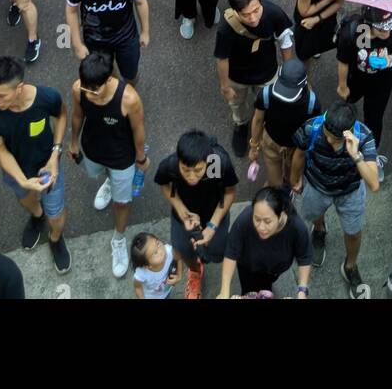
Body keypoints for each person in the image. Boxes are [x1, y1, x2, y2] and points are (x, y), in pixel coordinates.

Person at [0, 53, 71, 272]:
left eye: (2, 95)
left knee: (56, 214)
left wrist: (55, 155)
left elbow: (61, 116)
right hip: (16, 172)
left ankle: (55, 238)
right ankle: (37, 216)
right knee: (26, 199)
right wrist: (22, 180)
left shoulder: (47, 97)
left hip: (48, 169)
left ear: (19, 88)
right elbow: (0, 149)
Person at [69, 50, 148, 279]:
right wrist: (73, 141)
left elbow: (138, 130)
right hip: (92, 150)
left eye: (96, 88)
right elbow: (77, 116)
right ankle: (108, 182)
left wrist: (141, 158)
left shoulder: (129, 99)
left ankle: (119, 238)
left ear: (110, 78)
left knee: (122, 202)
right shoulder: (79, 89)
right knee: (98, 173)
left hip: (122, 159)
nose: (90, 93)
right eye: (87, 87)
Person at [290, 101, 382, 299]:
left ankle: (350, 266)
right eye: (328, 136)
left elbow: (374, 184)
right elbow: (298, 154)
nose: (330, 142)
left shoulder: (364, 137)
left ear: (349, 133)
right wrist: (295, 178)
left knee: (353, 232)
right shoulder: (311, 127)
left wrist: (356, 155)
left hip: (350, 192)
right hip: (316, 185)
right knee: (315, 213)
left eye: (336, 139)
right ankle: (320, 229)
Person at [215, 0, 295, 158]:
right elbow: (222, 58)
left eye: (256, 10)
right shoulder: (225, 29)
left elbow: (285, 41)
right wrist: (225, 86)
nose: (252, 18)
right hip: (237, 77)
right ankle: (241, 124)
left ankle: (265, 123)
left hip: (267, 72)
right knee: (237, 104)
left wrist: (287, 73)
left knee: (269, 104)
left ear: (260, 1)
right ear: (235, 12)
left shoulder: (273, 13)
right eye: (245, 14)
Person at [155, 128, 239, 299]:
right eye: (186, 170)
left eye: (198, 170)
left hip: (214, 212)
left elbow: (230, 192)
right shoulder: (170, 165)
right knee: (184, 250)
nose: (192, 177)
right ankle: (194, 272)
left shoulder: (220, 162)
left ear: (208, 162)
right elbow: (164, 185)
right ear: (178, 161)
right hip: (184, 216)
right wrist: (180, 209)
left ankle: (204, 258)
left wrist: (212, 226)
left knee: (216, 252)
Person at [218, 187, 314, 299]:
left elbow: (305, 257)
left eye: (267, 221)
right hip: (248, 268)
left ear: (281, 216)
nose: (261, 227)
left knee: (266, 285)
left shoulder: (297, 228)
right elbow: (231, 251)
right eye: (257, 219)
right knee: (249, 290)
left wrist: (302, 291)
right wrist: (224, 291)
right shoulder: (244, 220)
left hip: (275, 270)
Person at [65, 0, 149, 83]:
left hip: (126, 36)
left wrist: (145, 32)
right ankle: (114, 86)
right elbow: (71, 10)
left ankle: (128, 92)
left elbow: (141, 2)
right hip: (95, 39)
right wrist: (77, 44)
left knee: (131, 74)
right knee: (105, 75)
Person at [335, 6, 392, 145]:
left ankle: (372, 149)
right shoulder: (353, 33)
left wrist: (390, 60)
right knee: (345, 107)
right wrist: (342, 86)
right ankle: (339, 139)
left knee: (374, 118)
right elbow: (343, 62)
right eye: (381, 30)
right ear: (369, 24)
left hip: (381, 83)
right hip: (355, 78)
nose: (387, 33)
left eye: (389, 28)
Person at [249, 59, 321, 191]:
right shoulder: (266, 94)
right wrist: (254, 145)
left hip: (294, 148)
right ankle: (277, 189)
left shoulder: (312, 104)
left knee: (290, 178)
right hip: (270, 142)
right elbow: (258, 119)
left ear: (304, 84)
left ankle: (288, 184)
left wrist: (295, 174)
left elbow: (308, 135)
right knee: (275, 184)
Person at [130, 232, 182, 300]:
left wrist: (179, 275)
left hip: (167, 291)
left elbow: (179, 258)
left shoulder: (169, 251)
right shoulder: (142, 274)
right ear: (148, 265)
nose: (160, 249)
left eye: (157, 243)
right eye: (155, 253)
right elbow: (137, 287)